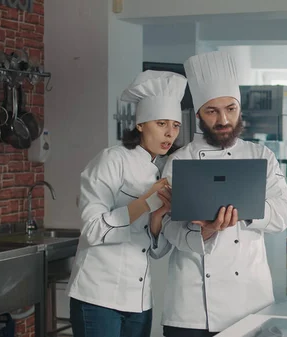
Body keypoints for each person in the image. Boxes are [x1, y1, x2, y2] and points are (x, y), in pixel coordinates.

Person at [157, 51, 287, 337]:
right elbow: (169, 228)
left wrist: (245, 211)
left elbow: (283, 214)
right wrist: (205, 233)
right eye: (212, 111)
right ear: (198, 115)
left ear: (239, 109)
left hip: (251, 301)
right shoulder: (180, 161)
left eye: (230, 109)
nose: (223, 119)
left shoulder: (261, 155)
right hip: (192, 310)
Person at [66, 70, 187, 337]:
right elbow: (93, 229)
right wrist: (146, 202)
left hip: (139, 300)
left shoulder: (163, 170)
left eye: (175, 126)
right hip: (98, 296)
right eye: (161, 123)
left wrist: (157, 219)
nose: (169, 133)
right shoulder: (111, 160)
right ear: (141, 124)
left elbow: (155, 252)